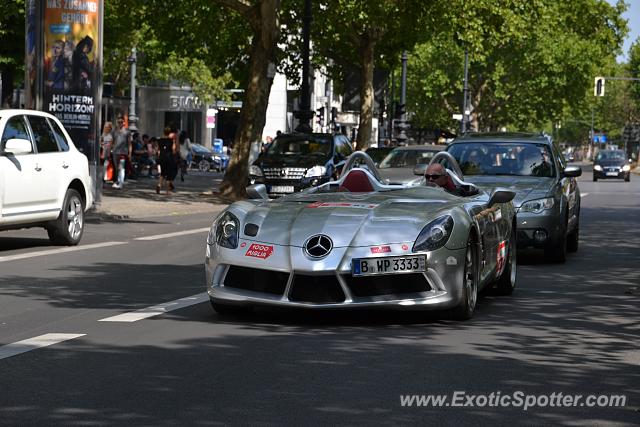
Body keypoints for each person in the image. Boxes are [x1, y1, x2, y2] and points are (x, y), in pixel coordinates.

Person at [111, 116, 132, 189]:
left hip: (123, 152)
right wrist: (111, 149)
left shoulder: (127, 132)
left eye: (121, 122)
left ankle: (121, 183)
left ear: (123, 123)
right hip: (115, 152)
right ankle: (116, 181)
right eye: (118, 122)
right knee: (116, 168)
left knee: (121, 168)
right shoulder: (114, 131)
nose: (120, 123)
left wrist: (130, 153)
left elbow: (129, 143)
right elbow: (112, 141)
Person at [156, 127, 178, 194]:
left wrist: (158, 157)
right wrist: (174, 142)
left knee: (162, 173)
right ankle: (167, 191)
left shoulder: (159, 140)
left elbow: (158, 150)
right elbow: (174, 151)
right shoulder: (171, 140)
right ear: (170, 133)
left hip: (161, 158)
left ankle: (159, 184)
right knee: (169, 174)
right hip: (169, 158)